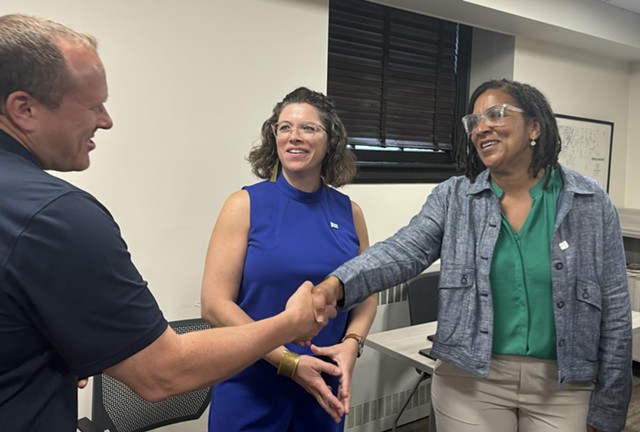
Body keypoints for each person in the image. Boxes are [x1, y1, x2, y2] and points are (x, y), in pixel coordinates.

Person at [0, 14, 333, 432]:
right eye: (92, 105)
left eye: (308, 128)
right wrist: (290, 326)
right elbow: (162, 372)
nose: (106, 120)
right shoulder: (54, 215)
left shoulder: (346, 209)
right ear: (24, 109)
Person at [311, 79, 632, 432]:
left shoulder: (589, 201)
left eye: (496, 114)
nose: (481, 128)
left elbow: (615, 309)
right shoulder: (455, 198)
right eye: (474, 121)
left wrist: (609, 406)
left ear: (535, 127)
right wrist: (335, 285)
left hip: (563, 384)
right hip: (471, 378)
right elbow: (402, 251)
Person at [200, 86, 377, 431]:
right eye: (284, 127)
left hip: (323, 389)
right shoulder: (244, 205)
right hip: (251, 384)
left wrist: (352, 345)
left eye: (308, 128)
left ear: (331, 141)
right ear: (274, 137)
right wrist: (290, 363)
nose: (294, 137)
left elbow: (367, 292)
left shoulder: (349, 212)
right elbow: (214, 305)